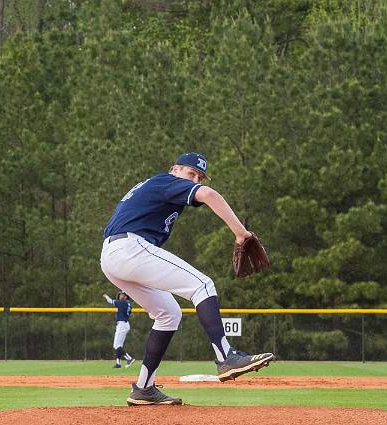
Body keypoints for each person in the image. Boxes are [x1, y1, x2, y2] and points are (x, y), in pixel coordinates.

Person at [100, 152, 274, 406]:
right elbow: (210, 195)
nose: (195, 180)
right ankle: (226, 356)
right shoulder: (166, 182)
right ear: (174, 170)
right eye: (191, 173)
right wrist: (241, 233)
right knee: (202, 285)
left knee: (169, 313)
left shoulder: (160, 187)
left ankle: (144, 388)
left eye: (199, 176)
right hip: (129, 248)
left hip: (114, 256)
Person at [103, 291, 136, 368]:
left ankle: (129, 358)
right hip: (125, 324)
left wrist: (106, 296)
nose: (120, 296)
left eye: (122, 295)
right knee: (119, 345)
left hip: (122, 325)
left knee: (116, 345)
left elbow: (110, 301)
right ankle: (118, 363)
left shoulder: (121, 303)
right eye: (120, 294)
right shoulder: (128, 304)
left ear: (126, 296)